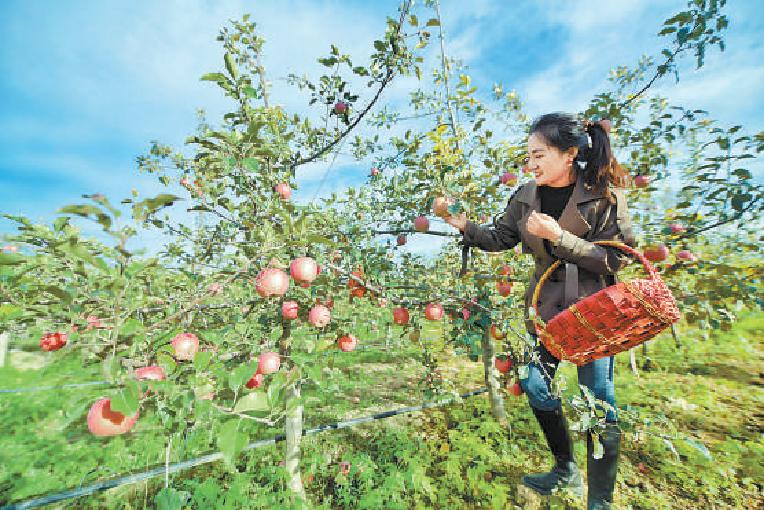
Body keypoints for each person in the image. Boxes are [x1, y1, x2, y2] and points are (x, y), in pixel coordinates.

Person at [444, 112, 635, 510]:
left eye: (538, 155)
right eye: (528, 156)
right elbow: (501, 238)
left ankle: (600, 499)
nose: (530, 164)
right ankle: (565, 467)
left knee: (597, 399)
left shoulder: (603, 195)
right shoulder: (525, 196)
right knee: (535, 384)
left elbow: (615, 259)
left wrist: (561, 238)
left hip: (591, 310)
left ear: (568, 155)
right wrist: (466, 227)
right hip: (545, 308)